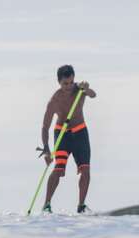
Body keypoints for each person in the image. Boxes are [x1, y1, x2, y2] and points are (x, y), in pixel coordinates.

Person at [40, 65, 97, 213]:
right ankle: (46, 205)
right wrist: (46, 149)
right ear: (59, 82)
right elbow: (45, 127)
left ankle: (81, 206)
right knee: (58, 169)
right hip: (62, 135)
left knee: (85, 170)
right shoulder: (54, 100)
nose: (69, 86)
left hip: (80, 133)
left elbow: (93, 94)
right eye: (65, 83)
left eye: (71, 82)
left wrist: (86, 88)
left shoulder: (79, 90)